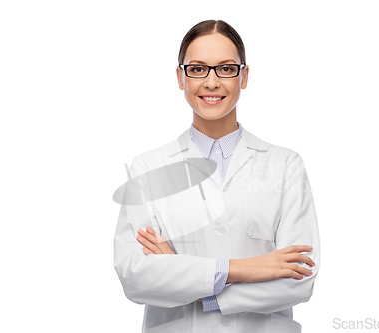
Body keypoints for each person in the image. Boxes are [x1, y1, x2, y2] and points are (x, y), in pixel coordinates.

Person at [114, 19, 320, 332]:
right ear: (181, 78)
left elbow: (299, 279)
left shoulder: (285, 165)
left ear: (244, 76)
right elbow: (135, 276)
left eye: (226, 68)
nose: (211, 82)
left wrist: (196, 289)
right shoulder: (148, 168)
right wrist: (245, 268)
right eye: (197, 69)